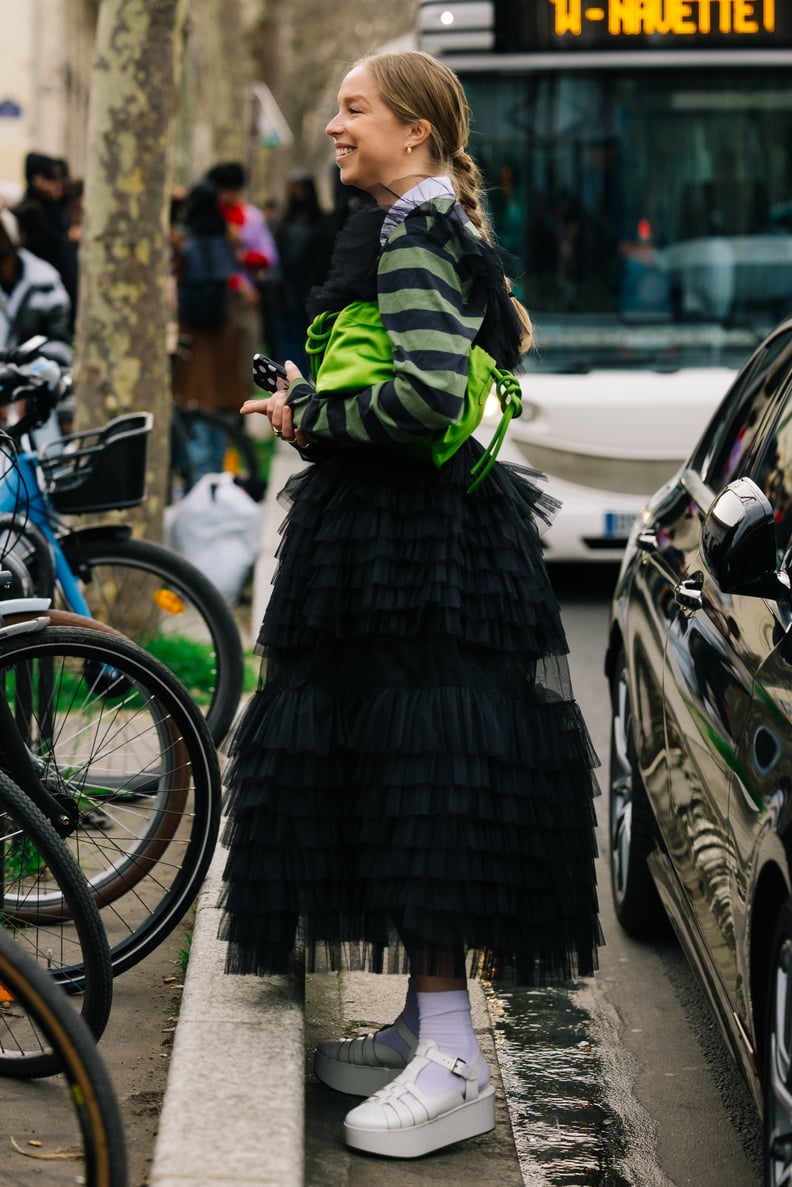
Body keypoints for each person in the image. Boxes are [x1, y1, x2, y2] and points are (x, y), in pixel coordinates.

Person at [218, 49, 601, 1160]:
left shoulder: (415, 234)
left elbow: (428, 393)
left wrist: (307, 424)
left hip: (415, 551)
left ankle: (455, 1063)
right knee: (400, 774)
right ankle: (421, 1028)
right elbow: (415, 374)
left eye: (353, 111)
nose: (333, 127)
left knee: (426, 775)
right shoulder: (419, 226)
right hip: (408, 545)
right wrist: (318, 395)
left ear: (418, 134)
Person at [171, 179, 243, 479]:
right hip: (222, 329)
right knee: (220, 404)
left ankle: (201, 478)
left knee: (195, 401)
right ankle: (219, 473)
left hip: (193, 331)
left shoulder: (181, 240)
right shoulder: (229, 235)